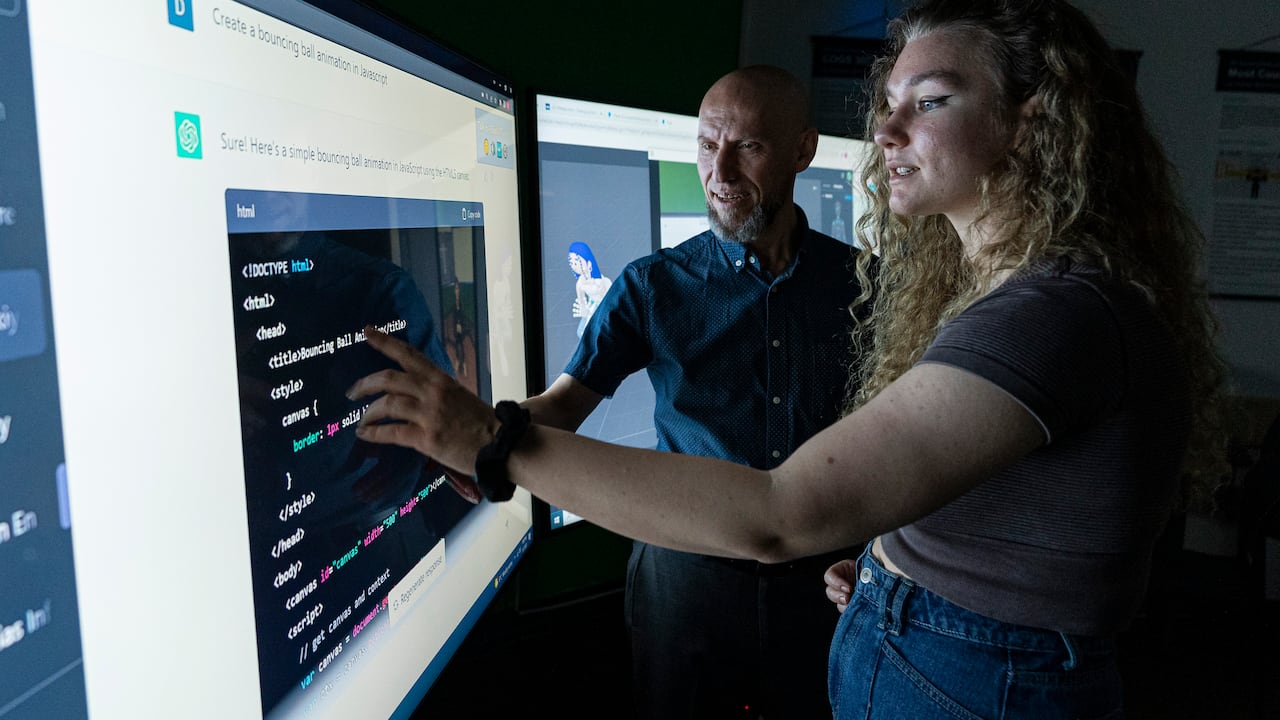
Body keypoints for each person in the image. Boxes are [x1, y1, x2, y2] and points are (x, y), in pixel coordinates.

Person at [345, 1, 1230, 717]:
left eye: (931, 101)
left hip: (854, 603)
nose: (888, 131)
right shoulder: (657, 285)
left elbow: (785, 510)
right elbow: (972, 482)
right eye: (706, 145)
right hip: (707, 581)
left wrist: (493, 444)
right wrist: (893, 563)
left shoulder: (1015, 304)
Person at [539, 66, 872, 719]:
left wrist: (881, 555)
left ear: (803, 150)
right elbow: (558, 411)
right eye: (705, 144)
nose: (719, 171)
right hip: (683, 590)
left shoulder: (866, 287)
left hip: (826, 588)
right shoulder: (650, 286)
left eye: (747, 146)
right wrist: (479, 431)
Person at [565, 241, 612, 338]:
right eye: (572, 262)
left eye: (577, 261)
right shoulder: (580, 283)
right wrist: (585, 311)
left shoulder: (602, 281)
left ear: (589, 263)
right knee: (582, 332)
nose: (575, 265)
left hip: (605, 310)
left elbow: (610, 301)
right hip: (593, 308)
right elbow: (582, 304)